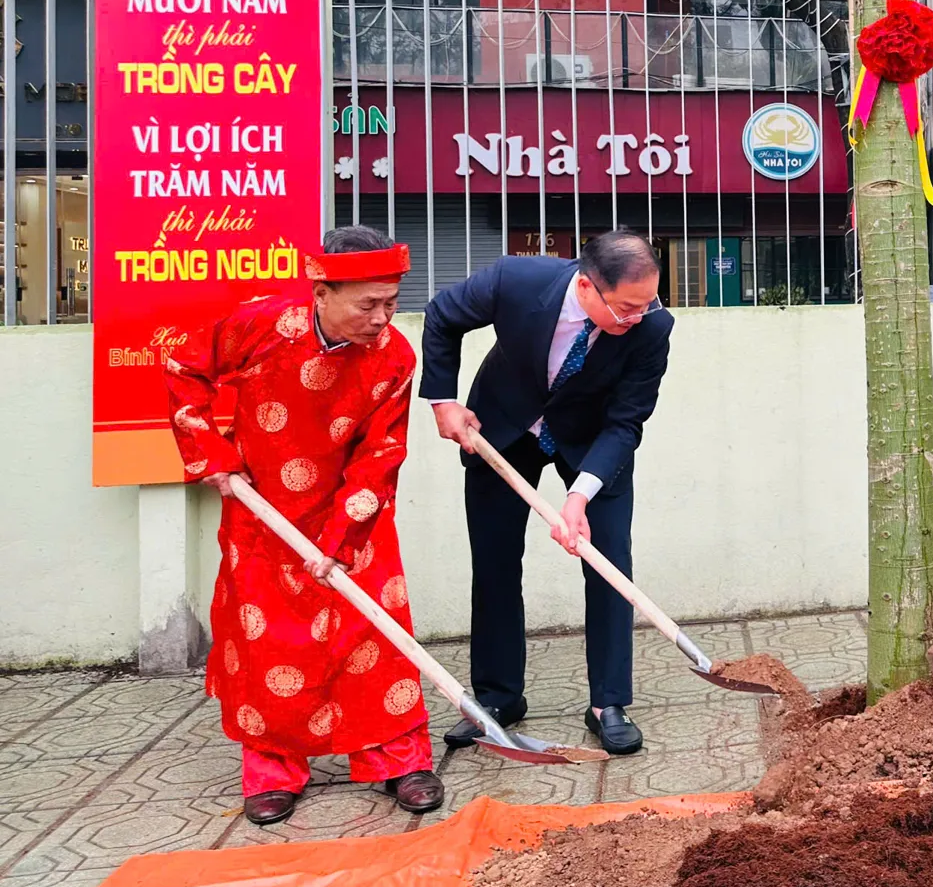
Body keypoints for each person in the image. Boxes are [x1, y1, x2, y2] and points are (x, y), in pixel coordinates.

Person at [165, 226, 443, 826]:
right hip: (261, 511)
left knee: (373, 634)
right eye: (366, 304)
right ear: (321, 290)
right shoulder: (258, 325)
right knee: (269, 642)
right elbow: (183, 368)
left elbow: (382, 451)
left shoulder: (394, 356)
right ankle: (272, 768)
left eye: (391, 302)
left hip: (354, 513)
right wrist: (214, 456)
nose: (381, 317)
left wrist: (343, 535)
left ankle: (399, 758)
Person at [421, 229, 672, 755]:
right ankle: (497, 698)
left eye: (646, 304)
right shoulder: (515, 281)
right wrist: (443, 400)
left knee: (607, 563)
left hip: (591, 443)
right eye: (626, 307)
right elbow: (443, 314)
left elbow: (627, 422)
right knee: (494, 563)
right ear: (585, 287)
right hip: (504, 429)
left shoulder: (651, 328)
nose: (638, 317)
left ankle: (608, 702)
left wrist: (579, 496)